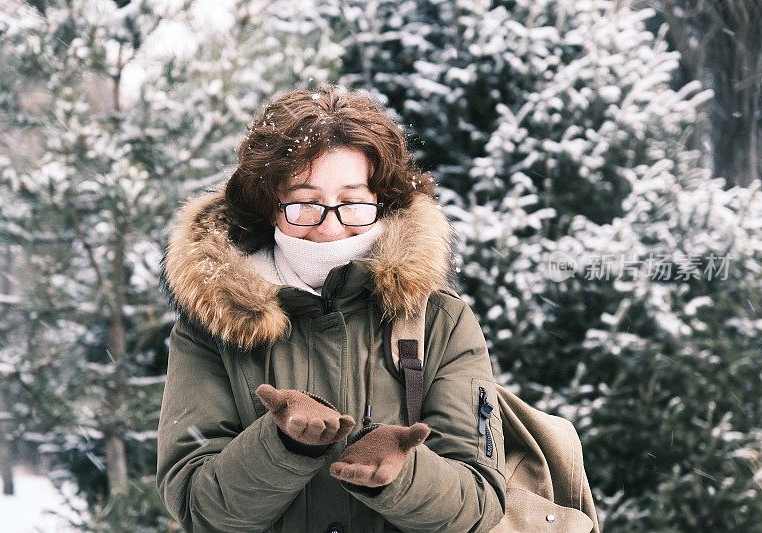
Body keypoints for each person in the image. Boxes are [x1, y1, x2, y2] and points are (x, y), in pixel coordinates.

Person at [156, 84, 507, 532]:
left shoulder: (441, 320)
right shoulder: (211, 324)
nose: (331, 227)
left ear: (382, 201)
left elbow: (479, 504)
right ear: (270, 204)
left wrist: (402, 476)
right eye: (304, 202)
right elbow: (198, 508)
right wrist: (282, 446)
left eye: (353, 202)